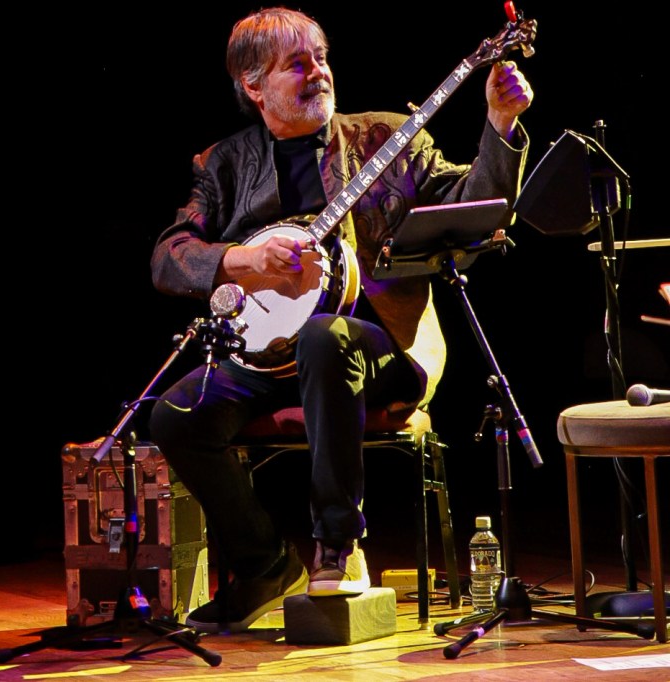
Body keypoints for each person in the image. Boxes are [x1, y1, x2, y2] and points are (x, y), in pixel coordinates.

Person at [148, 7, 533, 633]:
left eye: (321, 57)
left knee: (327, 338)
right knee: (175, 415)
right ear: (253, 85)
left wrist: (499, 123)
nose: (318, 72)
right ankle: (264, 564)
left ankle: (337, 542)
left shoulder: (386, 136)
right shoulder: (222, 163)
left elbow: (478, 210)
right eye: (297, 64)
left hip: (376, 345)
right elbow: (170, 256)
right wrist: (245, 261)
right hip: (268, 355)